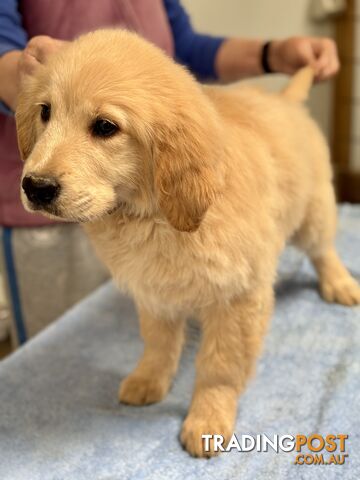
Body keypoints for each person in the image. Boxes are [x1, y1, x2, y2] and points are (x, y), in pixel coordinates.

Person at [0, 0, 340, 345]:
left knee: (150, 305)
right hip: (43, 229)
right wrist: (42, 78)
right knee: (64, 346)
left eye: (103, 126)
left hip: (145, 196)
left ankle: (325, 257)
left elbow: (183, 46)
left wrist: (271, 54)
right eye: (45, 111)